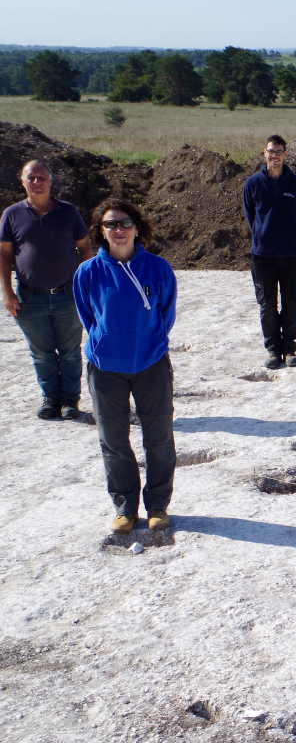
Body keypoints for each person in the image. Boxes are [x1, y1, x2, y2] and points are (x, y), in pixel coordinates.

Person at [73, 199, 178, 535]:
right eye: (110, 224)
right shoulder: (87, 272)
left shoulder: (158, 268)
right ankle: (124, 508)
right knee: (113, 440)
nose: (118, 230)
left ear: (137, 227)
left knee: (159, 438)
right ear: (100, 232)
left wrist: (149, 343)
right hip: (106, 370)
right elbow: (89, 318)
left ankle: (158, 505)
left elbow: (166, 313)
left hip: (151, 364)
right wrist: (108, 342)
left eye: (125, 223)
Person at [1, 161, 93, 420]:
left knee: (70, 350)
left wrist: (85, 284)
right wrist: (7, 292)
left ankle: (70, 402)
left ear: (51, 181)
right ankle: (50, 399)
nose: (37, 182)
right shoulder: (12, 214)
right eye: (31, 178)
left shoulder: (68, 212)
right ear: (23, 182)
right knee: (41, 352)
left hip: (68, 294)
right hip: (29, 297)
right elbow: (4, 253)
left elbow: (84, 247)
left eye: (42, 177)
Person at [243, 134, 296, 369]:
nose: (275, 155)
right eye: (271, 151)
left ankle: (289, 349)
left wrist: (288, 237)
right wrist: (264, 236)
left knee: (291, 303)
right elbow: (251, 216)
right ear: (265, 153)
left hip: (292, 254)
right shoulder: (253, 183)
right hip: (263, 256)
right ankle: (273, 350)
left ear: (285, 154)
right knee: (267, 303)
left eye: (279, 151)